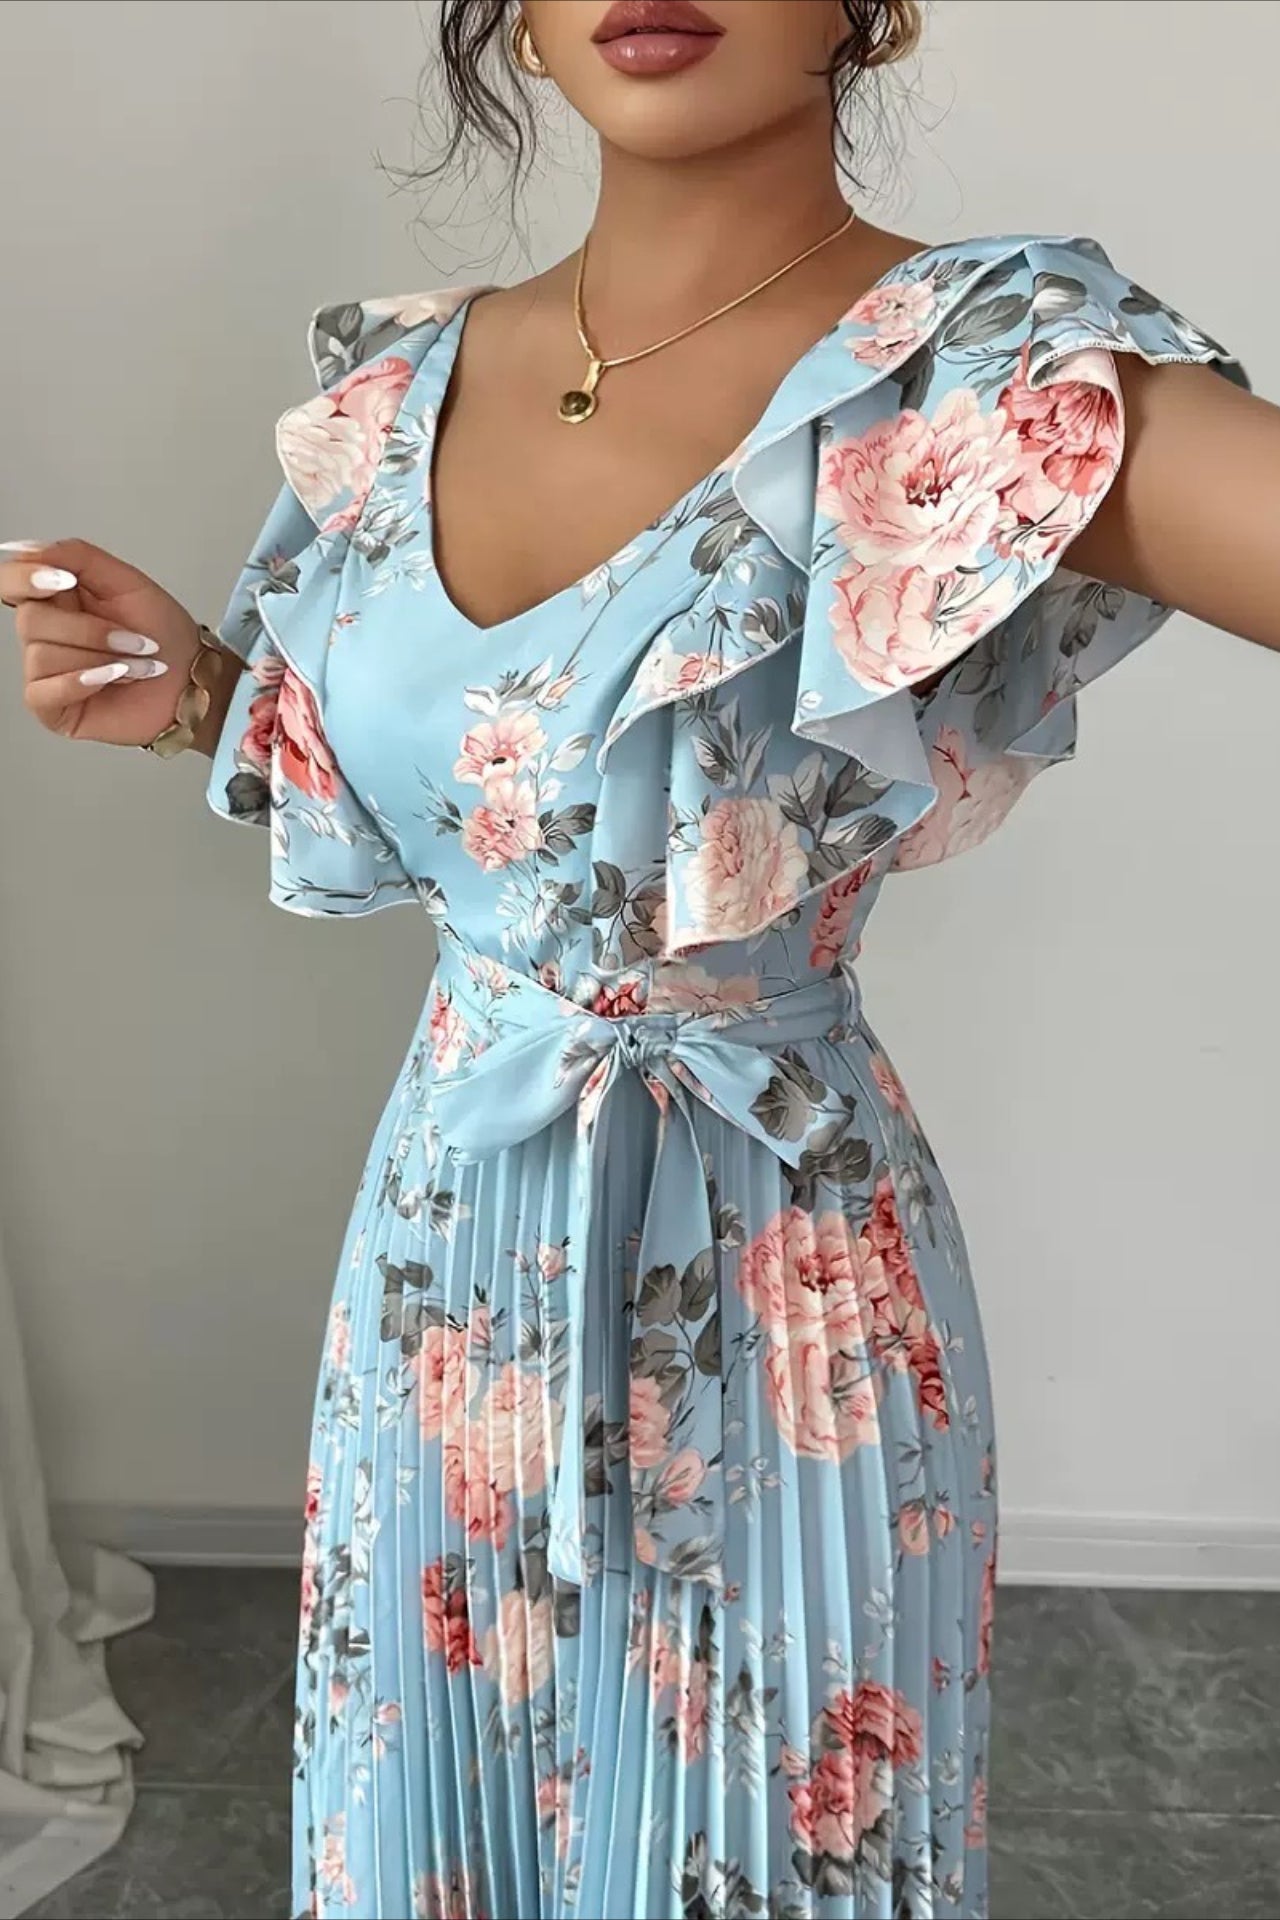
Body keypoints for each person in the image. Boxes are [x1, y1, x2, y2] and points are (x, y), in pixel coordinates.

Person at [4, 2, 1278, 1915]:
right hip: (440, 1279)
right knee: (429, 1845)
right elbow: (502, 811)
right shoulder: (403, 386)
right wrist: (205, 693)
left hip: (779, 1287)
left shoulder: (973, 374)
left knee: (767, 1861)